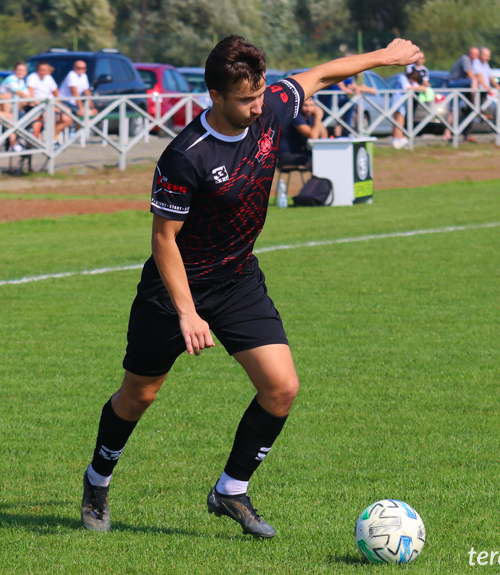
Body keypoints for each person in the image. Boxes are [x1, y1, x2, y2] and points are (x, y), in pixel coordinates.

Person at [79, 34, 420, 538]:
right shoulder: (184, 155)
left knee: (281, 387)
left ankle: (231, 490)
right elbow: (163, 240)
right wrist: (187, 313)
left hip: (237, 278)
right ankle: (96, 480)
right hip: (175, 289)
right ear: (215, 96)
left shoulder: (270, 109)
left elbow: (321, 75)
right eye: (246, 98)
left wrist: (384, 58)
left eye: (260, 94)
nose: (258, 105)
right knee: (139, 395)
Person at [26, 61, 73, 141]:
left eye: (45, 70)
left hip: (50, 105)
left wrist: (57, 102)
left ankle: (51, 138)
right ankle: (45, 140)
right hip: (38, 106)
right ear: (37, 70)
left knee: (67, 117)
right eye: (41, 70)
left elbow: (55, 91)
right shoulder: (32, 77)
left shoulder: (49, 78)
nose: (43, 72)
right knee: (46, 116)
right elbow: (31, 94)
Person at [444, 47, 479, 142]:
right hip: (454, 83)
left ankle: (447, 133)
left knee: (453, 110)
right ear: (469, 53)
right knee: (474, 81)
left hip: (458, 86)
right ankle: (474, 101)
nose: (475, 57)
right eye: (473, 54)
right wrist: (477, 85)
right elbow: (470, 74)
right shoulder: (466, 59)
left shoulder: (469, 60)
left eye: (476, 55)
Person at [278, 98, 327, 167]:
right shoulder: (296, 116)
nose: (308, 109)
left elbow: (324, 136)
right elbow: (313, 136)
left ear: (315, 107)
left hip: (301, 153)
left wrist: (318, 120)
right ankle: (316, 178)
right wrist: (318, 118)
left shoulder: (311, 117)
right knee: (317, 161)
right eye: (305, 105)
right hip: (286, 155)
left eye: (311, 105)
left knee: (325, 157)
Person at [390, 66, 426, 149]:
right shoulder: (402, 77)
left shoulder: (409, 79)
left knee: (401, 121)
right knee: (398, 121)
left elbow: (415, 85)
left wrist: (422, 87)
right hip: (397, 101)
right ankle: (396, 140)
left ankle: (398, 139)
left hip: (402, 103)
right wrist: (421, 88)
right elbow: (407, 87)